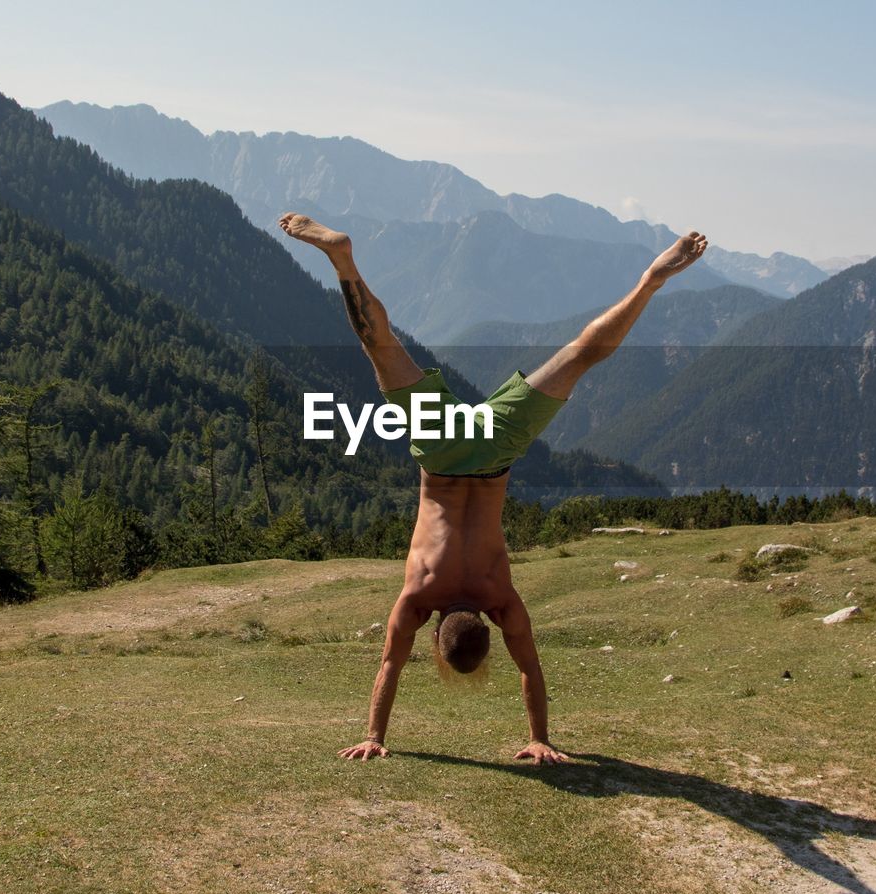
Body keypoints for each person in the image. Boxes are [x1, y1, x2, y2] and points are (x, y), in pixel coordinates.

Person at [278, 212, 708, 764]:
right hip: (440, 454)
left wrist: (541, 737)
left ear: (484, 628)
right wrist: (374, 736)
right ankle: (343, 260)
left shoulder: (500, 599)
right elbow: (389, 664)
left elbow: (530, 666)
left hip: (496, 450)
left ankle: (651, 279)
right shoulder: (419, 597)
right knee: (380, 346)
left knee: (581, 355)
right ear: (436, 637)